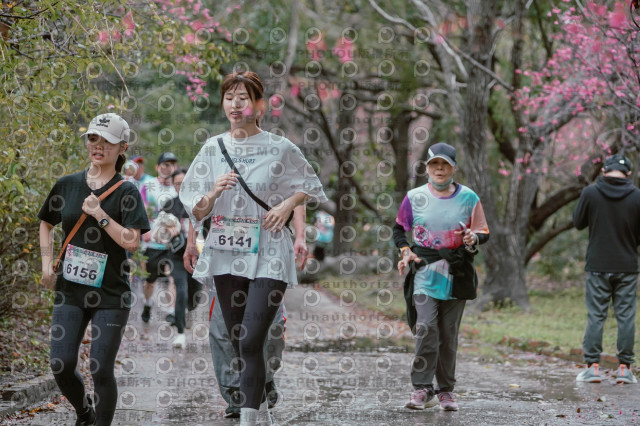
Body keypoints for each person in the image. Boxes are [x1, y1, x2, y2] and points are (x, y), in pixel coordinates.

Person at [179, 70, 327, 425]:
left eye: (243, 98)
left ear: (259, 105)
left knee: (250, 339)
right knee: (236, 339)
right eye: (229, 97)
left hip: (270, 251)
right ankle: (258, 404)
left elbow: (310, 185)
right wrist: (213, 192)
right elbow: (196, 208)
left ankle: (248, 419)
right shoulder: (212, 149)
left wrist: (287, 205)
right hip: (226, 252)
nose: (235, 104)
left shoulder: (280, 147)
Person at [38, 113, 150, 425]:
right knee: (61, 363)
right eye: (93, 138)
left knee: (100, 368)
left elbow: (132, 242)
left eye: (107, 141)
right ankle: (84, 413)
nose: (98, 146)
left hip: (111, 293)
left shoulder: (127, 191)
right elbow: (46, 223)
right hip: (71, 290)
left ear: (122, 147)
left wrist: (100, 214)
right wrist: (47, 264)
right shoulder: (67, 185)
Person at [184, 206, 308, 418]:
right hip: (225, 246)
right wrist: (191, 242)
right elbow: (197, 200)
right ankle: (235, 391)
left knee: (272, 326)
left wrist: (300, 236)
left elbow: (298, 197)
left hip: (268, 246)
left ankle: (265, 379)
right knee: (223, 329)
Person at [394, 142, 489, 411]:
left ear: (453, 168)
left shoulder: (469, 197)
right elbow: (399, 229)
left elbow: (483, 232)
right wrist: (405, 251)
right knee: (426, 327)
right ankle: (422, 389)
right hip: (424, 271)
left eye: (444, 164)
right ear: (426, 168)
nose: (439, 169)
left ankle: (446, 390)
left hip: (457, 272)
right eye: (434, 164)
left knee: (448, 334)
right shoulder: (414, 197)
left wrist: (472, 238)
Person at [573, 153, 640, 384]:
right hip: (627, 265)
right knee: (626, 317)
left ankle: (592, 368)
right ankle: (624, 369)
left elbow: (578, 222)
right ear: (628, 173)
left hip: (598, 265)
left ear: (603, 171)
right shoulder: (637, 196)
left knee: (596, 316)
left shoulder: (590, 193)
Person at [140, 152, 179, 323]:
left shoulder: (177, 188)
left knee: (173, 277)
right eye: (165, 164)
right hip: (152, 243)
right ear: (157, 167)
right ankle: (147, 303)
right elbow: (141, 210)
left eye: (171, 164)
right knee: (150, 280)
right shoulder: (148, 186)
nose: (168, 168)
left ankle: (171, 311)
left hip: (172, 243)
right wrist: (144, 231)